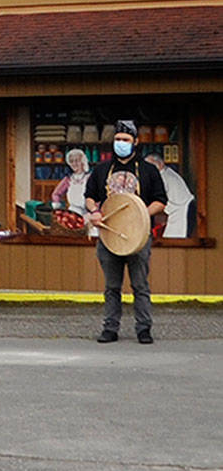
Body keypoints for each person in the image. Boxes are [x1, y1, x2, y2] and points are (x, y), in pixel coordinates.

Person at [83, 120, 168, 345]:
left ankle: (144, 329)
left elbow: (160, 201)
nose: (121, 143)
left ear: (135, 142)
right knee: (112, 286)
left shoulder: (148, 170)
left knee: (140, 285)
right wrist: (95, 211)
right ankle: (110, 328)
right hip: (109, 236)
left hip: (138, 236)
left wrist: (140, 215)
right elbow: (90, 196)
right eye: (118, 139)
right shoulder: (101, 170)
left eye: (126, 140)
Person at [143, 153, 196, 239]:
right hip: (176, 211)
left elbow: (158, 200)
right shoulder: (164, 174)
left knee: (174, 240)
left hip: (182, 211)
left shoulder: (165, 176)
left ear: (160, 164)